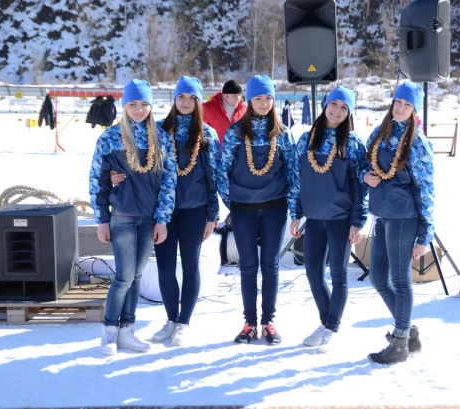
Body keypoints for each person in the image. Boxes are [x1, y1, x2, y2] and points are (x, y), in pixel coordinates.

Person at [89, 79, 177, 356]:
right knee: (124, 277)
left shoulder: (162, 137)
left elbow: (169, 181)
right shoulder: (110, 138)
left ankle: (127, 330)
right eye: (132, 104)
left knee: (136, 276)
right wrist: (102, 219)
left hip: (149, 218)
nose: (138, 110)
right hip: (124, 218)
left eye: (143, 104)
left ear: (151, 107)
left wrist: (162, 219)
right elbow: (97, 180)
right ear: (124, 106)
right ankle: (109, 332)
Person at [217, 74, 296, 344]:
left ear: (274, 101)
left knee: (271, 266)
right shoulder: (235, 133)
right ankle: (249, 323)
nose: (263, 103)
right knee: (248, 266)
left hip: (275, 208)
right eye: (258, 98)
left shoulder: (283, 134)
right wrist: (235, 204)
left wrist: (292, 207)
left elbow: (293, 174)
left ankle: (268, 322)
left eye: (268, 98)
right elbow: (222, 173)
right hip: (243, 210)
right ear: (249, 101)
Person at [290, 85, 368, 353]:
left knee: (339, 275)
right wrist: (295, 214)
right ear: (325, 105)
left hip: (341, 220)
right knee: (312, 273)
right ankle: (327, 324)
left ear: (349, 113)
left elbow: (361, 187)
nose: (337, 111)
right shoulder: (306, 140)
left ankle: (331, 327)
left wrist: (357, 222)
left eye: (344, 108)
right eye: (334, 105)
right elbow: (297, 180)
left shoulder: (353, 143)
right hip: (314, 219)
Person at [361, 81, 435, 364]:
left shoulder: (418, 143)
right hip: (381, 214)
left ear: (414, 109)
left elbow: (427, 188)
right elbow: (362, 167)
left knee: (400, 280)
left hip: (405, 216)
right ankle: (409, 332)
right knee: (378, 278)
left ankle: (400, 342)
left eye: (407, 104)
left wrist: (425, 233)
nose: (400, 108)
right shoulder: (379, 135)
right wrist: (364, 177)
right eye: (397, 102)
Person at [150, 76, 220, 346]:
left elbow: (212, 179)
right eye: (181, 97)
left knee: (190, 265)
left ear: (198, 101)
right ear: (174, 99)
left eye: (192, 98)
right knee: (166, 268)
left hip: (194, 210)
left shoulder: (207, 135)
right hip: (163, 213)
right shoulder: (157, 131)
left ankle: (184, 322)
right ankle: (170, 319)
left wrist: (212, 217)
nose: (186, 102)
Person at [203, 79, 247, 146]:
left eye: (239, 95)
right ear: (225, 96)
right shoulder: (207, 109)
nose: (237, 98)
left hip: (236, 153)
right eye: (234, 96)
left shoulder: (244, 110)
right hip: (215, 153)